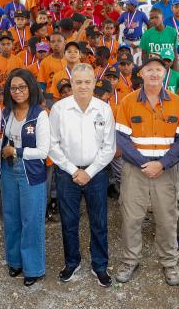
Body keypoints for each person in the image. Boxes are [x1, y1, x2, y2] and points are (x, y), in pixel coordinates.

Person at [114, 55, 179, 286]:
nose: (154, 74)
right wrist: (144, 163)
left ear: (165, 73)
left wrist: (162, 164)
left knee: (167, 219)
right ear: (141, 74)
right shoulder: (128, 101)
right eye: (149, 70)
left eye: (158, 69)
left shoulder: (177, 103)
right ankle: (130, 260)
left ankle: (169, 262)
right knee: (131, 217)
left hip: (164, 171)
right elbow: (122, 138)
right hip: (136, 170)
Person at [48, 63, 115, 286]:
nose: (83, 86)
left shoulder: (103, 109)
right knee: (69, 221)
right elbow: (52, 145)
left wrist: (90, 171)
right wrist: (73, 170)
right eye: (78, 82)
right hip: (68, 174)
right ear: (71, 84)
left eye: (88, 82)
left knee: (99, 221)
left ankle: (100, 265)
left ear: (94, 83)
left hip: (96, 174)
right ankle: (72, 262)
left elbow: (109, 147)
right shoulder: (59, 109)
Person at [0, 69, 50, 286]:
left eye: (22, 87)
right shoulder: (6, 112)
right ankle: (15, 261)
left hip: (30, 172)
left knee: (31, 221)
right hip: (8, 170)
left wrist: (17, 152)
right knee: (11, 217)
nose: (18, 91)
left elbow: (43, 151)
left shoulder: (40, 114)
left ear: (30, 88)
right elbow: (2, 138)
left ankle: (34, 268)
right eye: (13, 87)